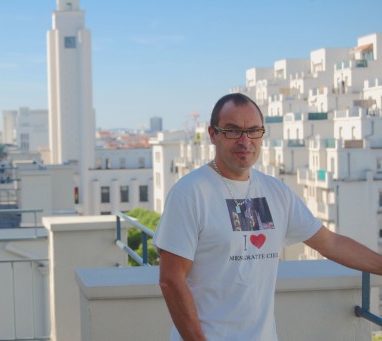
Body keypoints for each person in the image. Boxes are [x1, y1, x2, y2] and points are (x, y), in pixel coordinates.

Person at [152, 93, 382, 341]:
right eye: (232, 131)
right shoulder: (190, 193)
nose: (245, 140)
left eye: (253, 130)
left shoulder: (276, 192)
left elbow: (331, 243)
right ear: (213, 134)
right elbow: (171, 280)